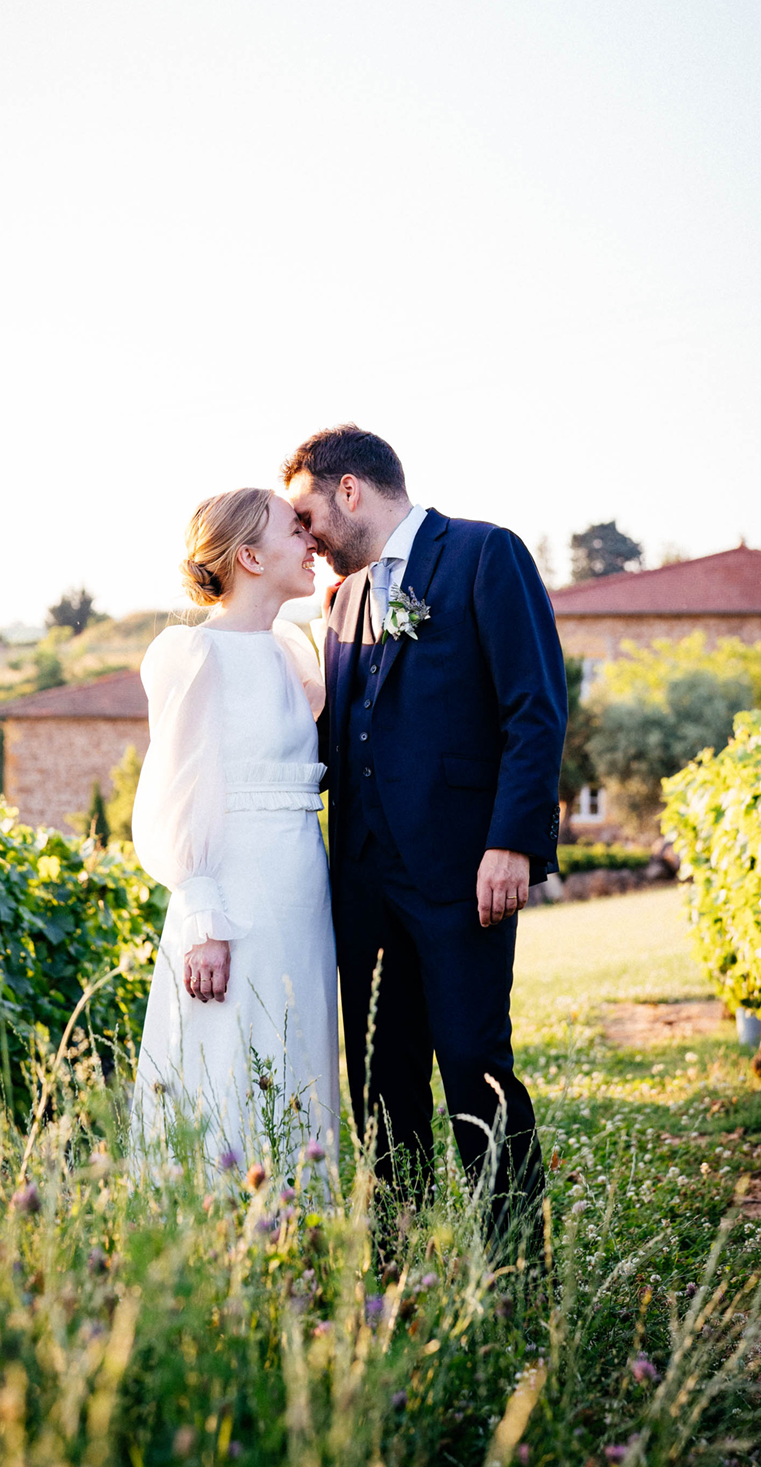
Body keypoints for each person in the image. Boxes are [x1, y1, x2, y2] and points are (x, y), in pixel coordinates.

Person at [283, 425, 568, 1223]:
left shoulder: (485, 554)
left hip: (461, 874)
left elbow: (534, 709)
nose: (304, 538)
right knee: (381, 1080)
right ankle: (398, 1272)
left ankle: (513, 1278)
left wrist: (511, 841)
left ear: (350, 490)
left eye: (307, 516)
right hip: (364, 884)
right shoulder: (340, 602)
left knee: (476, 1066)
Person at [131, 487, 340, 1164]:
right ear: (249, 555)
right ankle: (221, 1235)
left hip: (301, 885)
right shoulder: (194, 654)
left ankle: (299, 1234)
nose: (311, 540)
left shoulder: (291, 649)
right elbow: (176, 794)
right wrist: (202, 920)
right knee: (228, 1061)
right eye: (295, 528)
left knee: (296, 1052)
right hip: (234, 897)